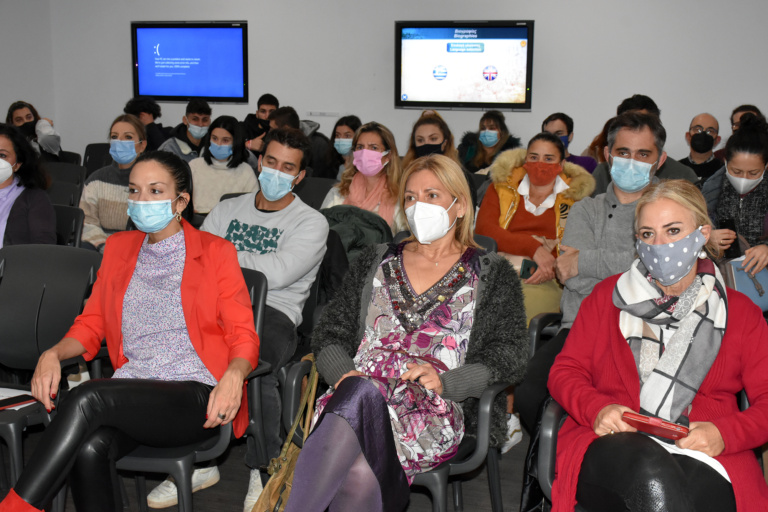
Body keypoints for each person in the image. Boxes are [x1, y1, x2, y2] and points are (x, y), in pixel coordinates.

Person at [0, 151, 260, 512]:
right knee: (89, 449)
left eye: (155, 191)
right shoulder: (119, 248)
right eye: (135, 191)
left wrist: (234, 374)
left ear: (181, 201)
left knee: (87, 397)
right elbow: (91, 323)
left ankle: (16, 507)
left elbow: (244, 333)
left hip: (195, 395)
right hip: (132, 390)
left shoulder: (216, 252)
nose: (141, 200)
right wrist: (53, 353)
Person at [283, 154, 528, 512]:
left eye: (432, 195)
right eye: (411, 197)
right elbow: (330, 330)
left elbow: (509, 354)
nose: (418, 206)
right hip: (352, 392)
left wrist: (448, 382)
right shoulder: (376, 259)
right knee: (360, 419)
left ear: (460, 206)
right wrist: (343, 374)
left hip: (428, 407)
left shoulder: (492, 273)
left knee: (361, 466)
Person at [548, 179, 768, 511]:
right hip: (612, 441)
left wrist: (724, 433)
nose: (659, 245)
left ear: (702, 234)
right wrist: (597, 408)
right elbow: (565, 371)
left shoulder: (741, 313)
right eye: (647, 234)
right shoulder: (606, 297)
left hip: (707, 451)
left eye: (673, 231)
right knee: (653, 478)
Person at [167, 128, 324, 512]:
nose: (277, 172)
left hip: (273, 312)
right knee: (179, 352)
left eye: (288, 167)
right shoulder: (227, 209)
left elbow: (277, 274)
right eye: (271, 161)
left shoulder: (311, 222)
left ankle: (264, 467)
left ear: (300, 176)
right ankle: (200, 459)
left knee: (257, 364)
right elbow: (195, 259)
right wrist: (222, 263)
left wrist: (222, 257)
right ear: (259, 161)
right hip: (217, 305)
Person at [515, 112, 667, 434]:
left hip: (649, 329)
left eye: (643, 154)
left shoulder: (670, 210)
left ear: (660, 160)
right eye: (623, 152)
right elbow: (570, 276)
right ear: (608, 155)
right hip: (581, 329)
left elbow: (662, 267)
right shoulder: (585, 209)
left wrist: (584, 261)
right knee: (530, 394)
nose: (632, 162)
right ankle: (554, 461)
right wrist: (635, 262)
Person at [475, 133, 595, 325]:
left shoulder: (577, 200)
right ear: (525, 161)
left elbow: (576, 249)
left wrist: (550, 265)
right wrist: (534, 248)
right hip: (496, 272)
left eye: (549, 159)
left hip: (547, 279)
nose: (540, 164)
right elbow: (485, 231)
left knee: (514, 314)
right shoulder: (501, 188)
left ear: (562, 164)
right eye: (534, 157)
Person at [589, 94, 698, 195]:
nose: (637, 130)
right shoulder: (602, 173)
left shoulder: (683, 175)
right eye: (630, 124)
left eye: (643, 155)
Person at [702, 113, 768, 275]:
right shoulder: (709, 190)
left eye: (753, 173)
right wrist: (706, 238)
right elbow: (685, 233)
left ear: (766, 166)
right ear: (725, 161)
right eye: (736, 171)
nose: (744, 179)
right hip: (721, 276)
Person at [321, 122, 407, 233]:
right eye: (360, 147)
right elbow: (319, 230)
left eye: (373, 147)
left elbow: (405, 238)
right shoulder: (338, 193)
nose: (365, 153)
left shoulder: (399, 198)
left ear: (388, 156)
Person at [80, 114, 147, 251]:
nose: (120, 142)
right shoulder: (96, 180)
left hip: (139, 251)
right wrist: (106, 248)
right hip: (102, 249)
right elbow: (88, 223)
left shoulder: (153, 182)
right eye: (114, 137)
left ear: (142, 145)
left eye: (128, 137)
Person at [401, 113, 478, 207]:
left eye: (433, 139)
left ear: (445, 143)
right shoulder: (405, 176)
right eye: (420, 140)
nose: (426, 144)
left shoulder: (463, 178)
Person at [188, 115, 258, 214]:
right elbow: (179, 199)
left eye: (225, 140)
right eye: (214, 138)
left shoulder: (246, 172)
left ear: (235, 142)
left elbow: (252, 208)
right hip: (195, 221)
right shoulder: (194, 166)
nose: (218, 144)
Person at [0, 124, 55, 247]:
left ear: (17, 164)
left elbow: (43, 248)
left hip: (14, 260)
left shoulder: (34, 199)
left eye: (2, 155)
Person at [679, 113, 722, 183]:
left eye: (710, 131)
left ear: (717, 140)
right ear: (688, 136)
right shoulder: (676, 168)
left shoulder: (724, 172)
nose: (703, 134)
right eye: (698, 130)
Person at [242, 93, 279, 159]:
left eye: (272, 112)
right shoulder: (243, 127)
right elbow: (228, 147)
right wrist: (247, 144)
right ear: (257, 114)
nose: (267, 116)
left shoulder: (282, 130)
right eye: (263, 111)